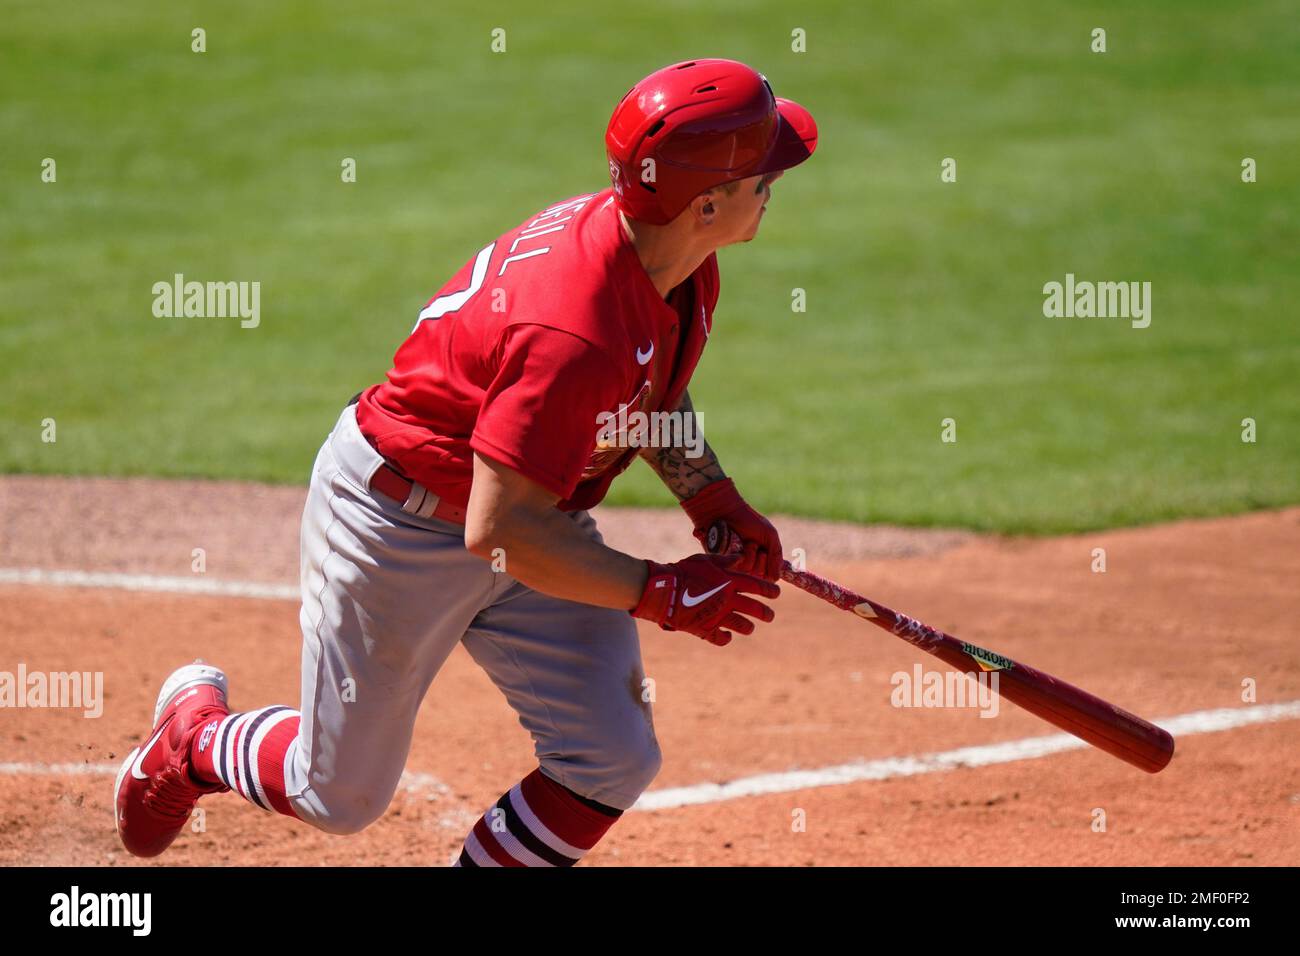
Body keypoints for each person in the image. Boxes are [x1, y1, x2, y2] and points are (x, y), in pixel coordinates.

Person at [114, 57, 818, 867]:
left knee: (611, 758)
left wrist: (713, 500)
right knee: (338, 795)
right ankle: (195, 739)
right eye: (762, 172)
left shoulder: (675, 263)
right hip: (400, 525)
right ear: (704, 203)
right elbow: (500, 531)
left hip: (525, 514)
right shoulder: (573, 326)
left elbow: (642, 387)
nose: (774, 181)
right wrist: (659, 592)